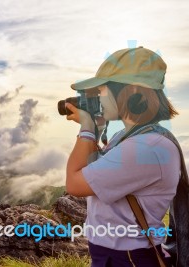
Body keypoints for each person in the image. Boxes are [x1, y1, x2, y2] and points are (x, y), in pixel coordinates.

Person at [65, 46, 180, 266]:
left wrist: (87, 129)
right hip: (112, 254)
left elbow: (75, 183)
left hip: (129, 258)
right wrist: (95, 130)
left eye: (102, 90)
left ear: (129, 91)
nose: (97, 97)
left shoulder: (148, 147)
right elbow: (93, 168)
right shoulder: (128, 137)